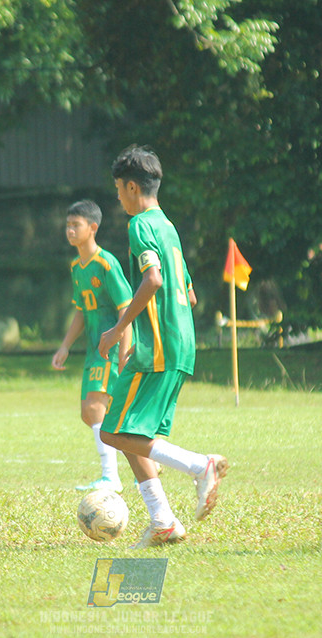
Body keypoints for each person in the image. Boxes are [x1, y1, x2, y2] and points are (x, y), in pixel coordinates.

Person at [97, 144, 227, 549]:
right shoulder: (168, 227)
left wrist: (119, 328)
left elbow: (152, 279)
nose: (118, 198)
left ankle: (198, 465)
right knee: (134, 432)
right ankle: (163, 521)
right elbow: (188, 295)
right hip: (182, 345)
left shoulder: (139, 226)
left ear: (132, 187)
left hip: (157, 348)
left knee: (112, 433)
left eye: (119, 189)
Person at [51, 200, 134, 492]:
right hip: (92, 348)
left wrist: (124, 350)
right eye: (68, 225)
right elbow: (80, 312)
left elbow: (126, 309)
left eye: (76, 225)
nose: (70, 230)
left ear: (93, 228)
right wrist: (64, 346)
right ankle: (144, 454)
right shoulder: (77, 266)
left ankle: (111, 477)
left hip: (109, 345)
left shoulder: (106, 263)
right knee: (89, 414)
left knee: (95, 407)